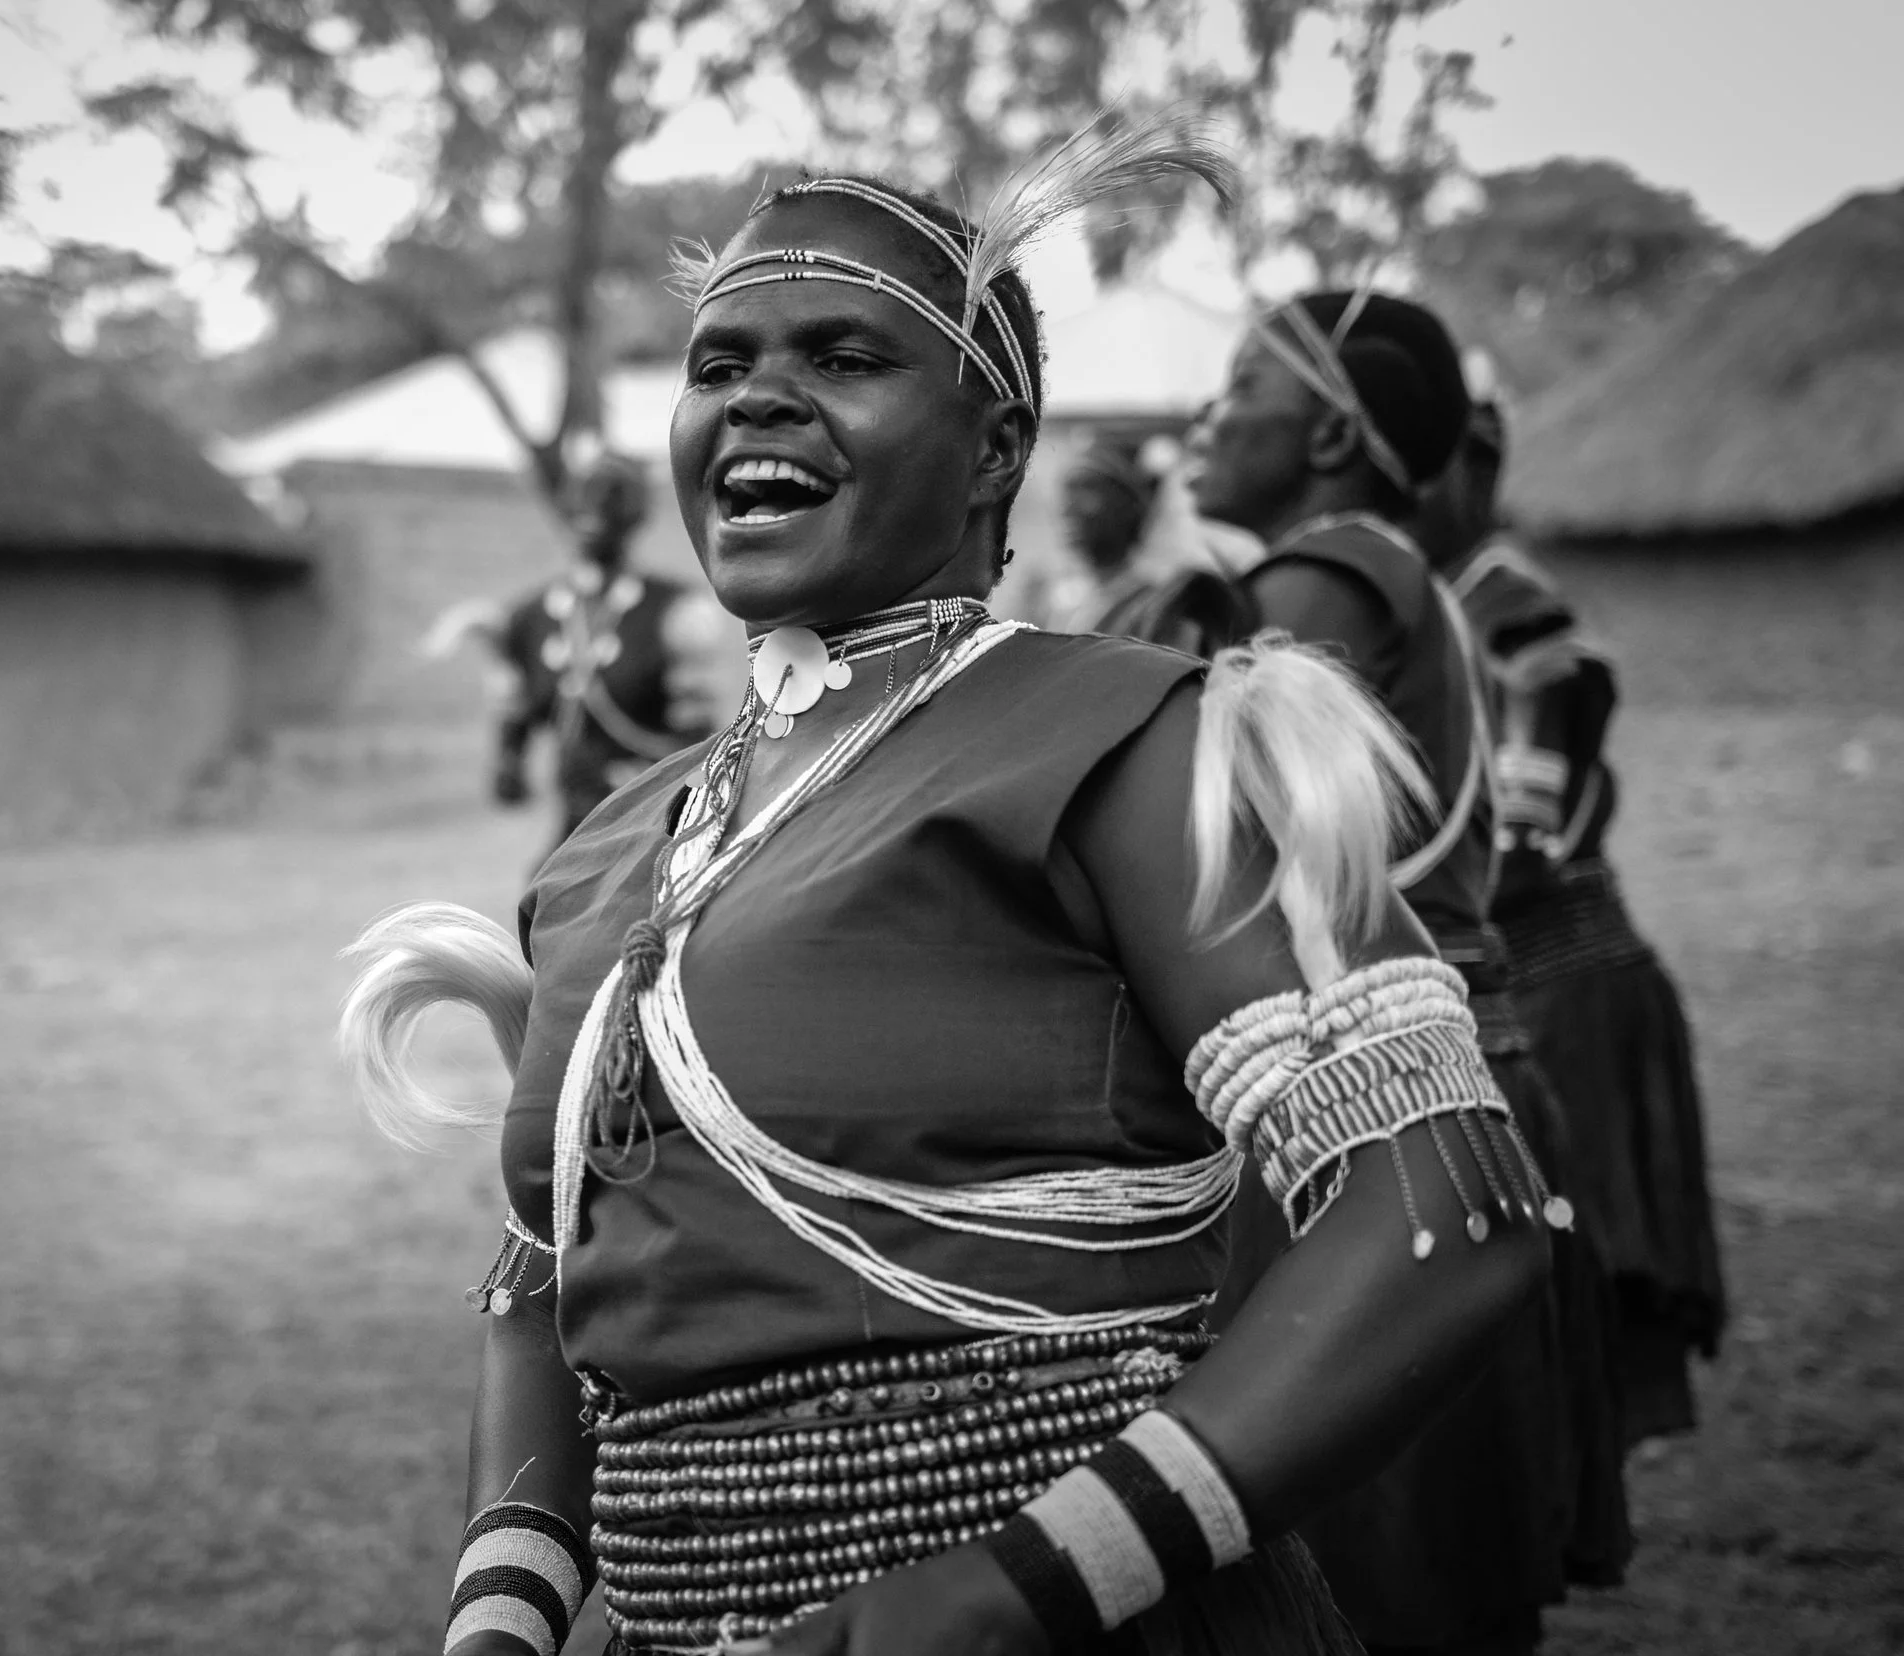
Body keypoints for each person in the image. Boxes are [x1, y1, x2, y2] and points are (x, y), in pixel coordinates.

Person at [341, 117, 1577, 1656]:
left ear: (996, 445)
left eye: (846, 356)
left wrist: (1022, 1586)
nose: (758, 399)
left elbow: (1447, 1201)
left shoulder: (1138, 742)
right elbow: (549, 1288)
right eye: (716, 366)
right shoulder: (606, 854)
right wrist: (503, 1619)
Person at [1191, 292, 1633, 1653]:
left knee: (1354, 1594)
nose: (1211, 417)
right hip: (1452, 1103)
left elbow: (1198, 849)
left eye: (1240, 385)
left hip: (1367, 1130)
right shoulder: (1394, 577)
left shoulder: (1320, 582)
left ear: (1329, 430)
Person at [1420, 398, 1726, 1444]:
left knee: (1564, 1272)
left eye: (1427, 463)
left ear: (1471, 470)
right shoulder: (1445, 601)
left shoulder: (1508, 613)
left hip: (1561, 990)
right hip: (1540, 986)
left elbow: (1520, 839)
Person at [481, 451, 722, 846]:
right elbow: (518, 714)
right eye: (583, 504)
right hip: (574, 822)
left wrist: (679, 794)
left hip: (649, 818)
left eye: (611, 504)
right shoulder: (531, 617)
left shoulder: (672, 613)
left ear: (635, 518)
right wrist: (510, 760)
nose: (594, 519)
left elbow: (694, 734)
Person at [1050, 430, 1253, 654]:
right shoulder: (1058, 601)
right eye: (1068, 491)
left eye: (1087, 490)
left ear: (1130, 508)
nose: (1068, 508)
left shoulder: (1162, 607)